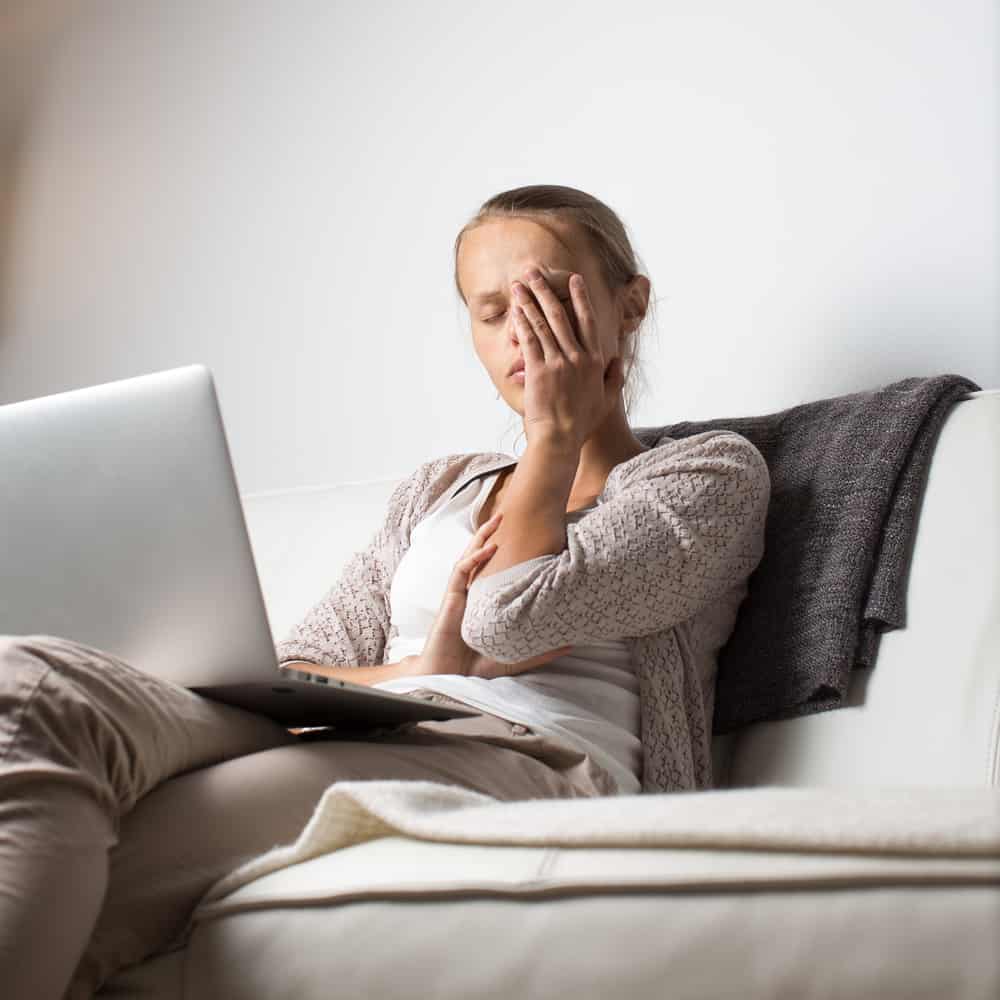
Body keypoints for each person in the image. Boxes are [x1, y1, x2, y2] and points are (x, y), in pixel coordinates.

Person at [0, 185, 770, 999]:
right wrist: (421, 670)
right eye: (492, 310)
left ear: (630, 304)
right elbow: (294, 666)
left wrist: (552, 437)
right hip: (380, 719)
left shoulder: (705, 475)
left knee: (115, 867)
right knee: (30, 682)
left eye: (547, 299)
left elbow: (508, 623)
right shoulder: (437, 489)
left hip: (532, 757)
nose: (523, 333)